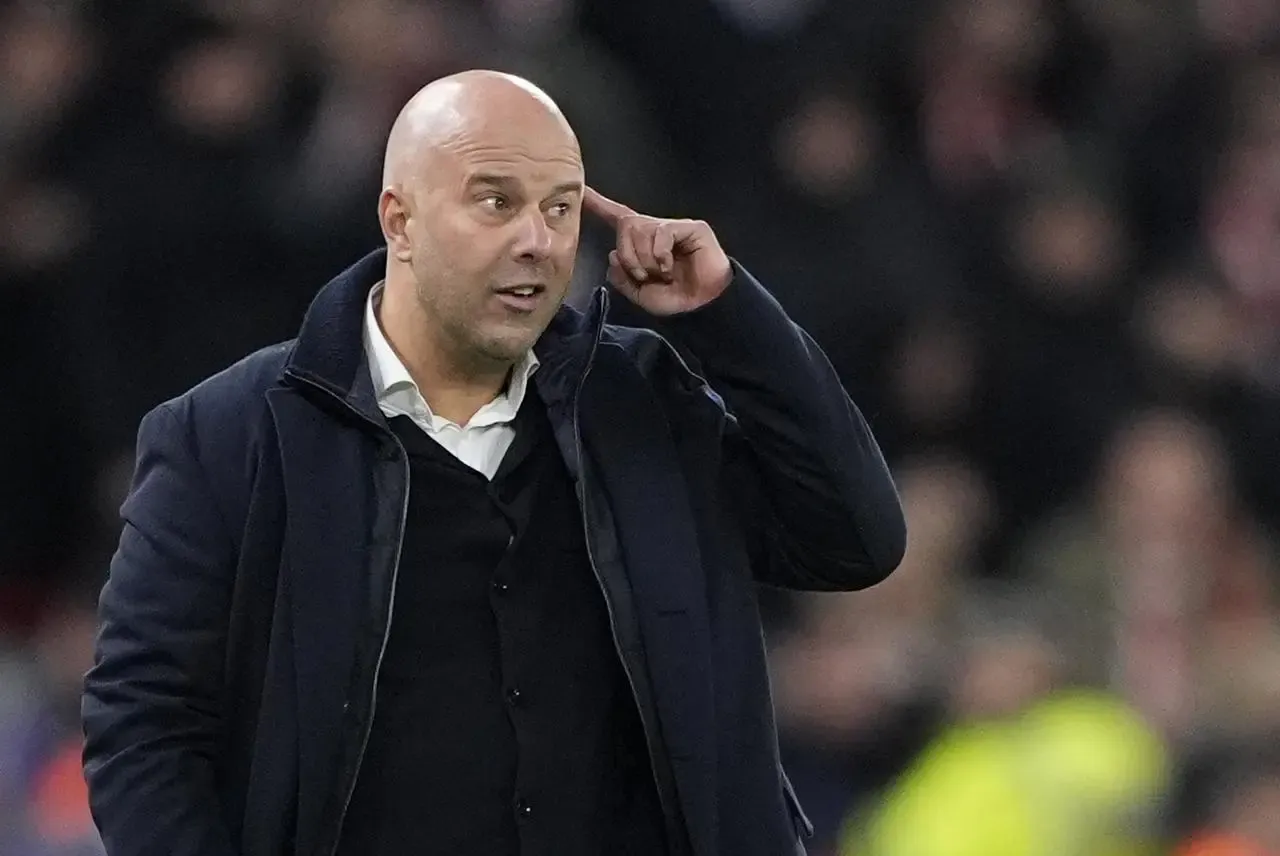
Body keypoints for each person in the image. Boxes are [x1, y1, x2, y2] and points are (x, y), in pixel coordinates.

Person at [81, 70, 906, 856]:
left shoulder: (645, 403)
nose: (536, 242)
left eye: (558, 209)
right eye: (495, 202)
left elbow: (854, 539)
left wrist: (730, 319)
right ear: (398, 219)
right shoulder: (228, 435)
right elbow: (144, 725)